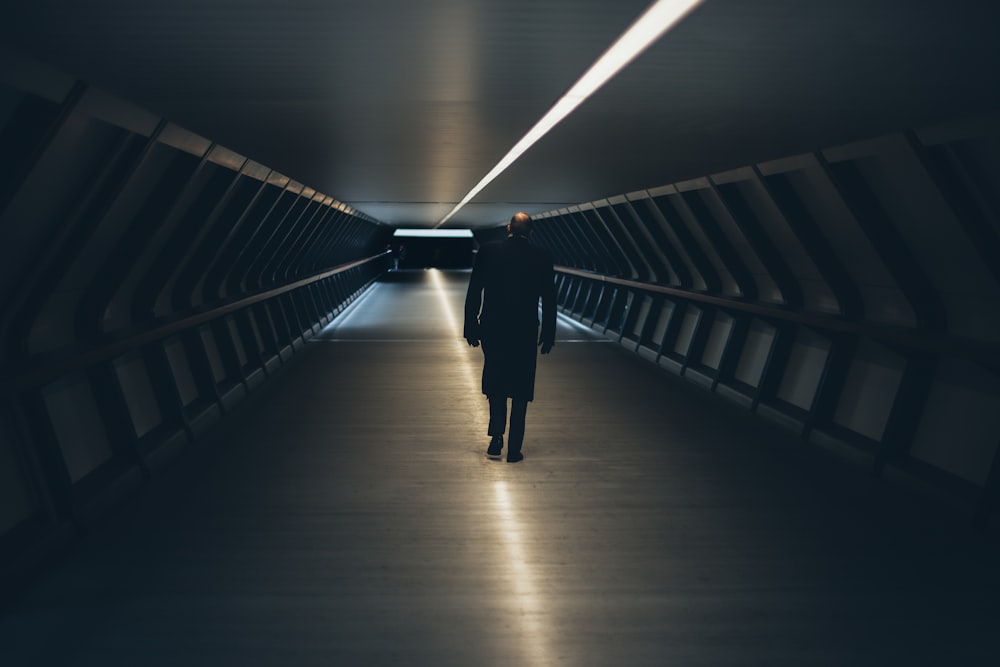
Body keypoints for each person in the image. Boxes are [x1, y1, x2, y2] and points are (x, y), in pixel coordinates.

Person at [464, 212, 556, 462]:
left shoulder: (488, 251)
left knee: (496, 380)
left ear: (508, 229)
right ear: (531, 232)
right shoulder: (542, 256)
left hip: (493, 328)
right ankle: (515, 447)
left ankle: (496, 438)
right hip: (524, 329)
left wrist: (470, 325)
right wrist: (549, 332)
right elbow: (549, 297)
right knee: (521, 384)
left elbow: (475, 290)